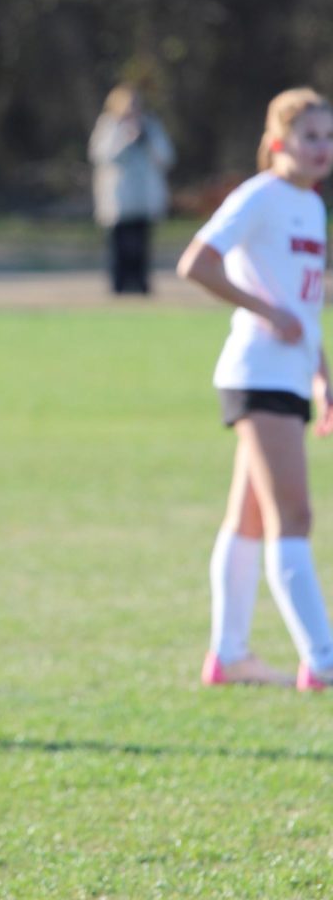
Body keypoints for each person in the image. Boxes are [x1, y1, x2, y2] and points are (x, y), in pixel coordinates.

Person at [177, 86, 333, 689]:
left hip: (290, 378)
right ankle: (321, 660)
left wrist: (321, 371)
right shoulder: (261, 195)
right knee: (293, 515)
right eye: (309, 137)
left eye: (327, 138)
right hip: (256, 374)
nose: (322, 149)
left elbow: (305, 305)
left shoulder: (312, 206)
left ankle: (230, 656)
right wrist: (265, 311)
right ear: (277, 144)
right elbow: (196, 262)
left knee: (247, 521)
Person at [88, 83, 175, 293]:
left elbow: (166, 156)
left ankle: (141, 285)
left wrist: (146, 139)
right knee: (119, 246)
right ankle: (119, 286)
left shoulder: (150, 126)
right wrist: (125, 140)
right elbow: (101, 155)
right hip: (119, 198)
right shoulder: (109, 126)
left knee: (141, 246)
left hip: (144, 197)